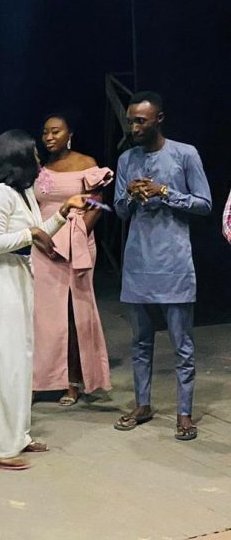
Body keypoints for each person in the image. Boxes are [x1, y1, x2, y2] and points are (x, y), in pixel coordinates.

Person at [0, 130, 93, 470]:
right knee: (2, 359)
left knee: (21, 358)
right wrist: (29, 233)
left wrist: (63, 212)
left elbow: (39, 232)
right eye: (33, 154)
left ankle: (17, 434)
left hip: (18, 276)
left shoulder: (25, 194)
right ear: (17, 158)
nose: (38, 160)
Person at [113, 91, 211, 441]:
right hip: (138, 261)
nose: (134, 128)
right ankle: (143, 405)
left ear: (159, 119)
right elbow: (119, 211)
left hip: (173, 262)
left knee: (182, 345)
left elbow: (204, 204)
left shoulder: (185, 154)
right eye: (131, 121)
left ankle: (184, 413)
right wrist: (130, 193)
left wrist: (165, 192)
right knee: (140, 341)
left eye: (141, 121)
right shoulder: (127, 159)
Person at [32, 113, 112, 405]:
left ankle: (73, 381)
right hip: (44, 246)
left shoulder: (85, 163)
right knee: (43, 316)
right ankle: (42, 379)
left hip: (75, 244)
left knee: (72, 312)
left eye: (55, 131)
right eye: (45, 132)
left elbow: (96, 204)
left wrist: (73, 239)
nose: (49, 137)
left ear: (70, 134)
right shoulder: (40, 168)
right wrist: (42, 239)